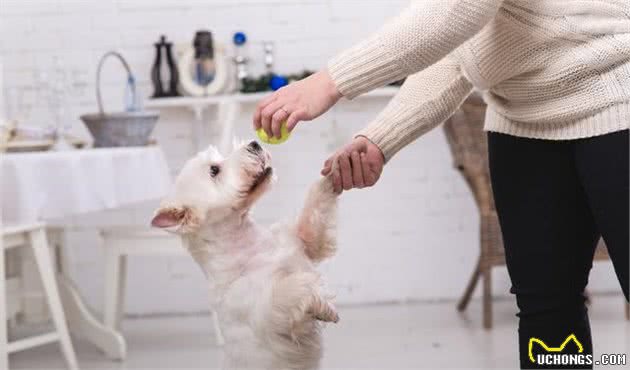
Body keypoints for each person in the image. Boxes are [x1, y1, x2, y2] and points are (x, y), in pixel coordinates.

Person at [253, 1, 629, 368]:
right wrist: (381, 138)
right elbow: (460, 54)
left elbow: (459, 9)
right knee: (546, 310)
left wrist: (329, 82)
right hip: (522, 125)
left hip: (617, 107)